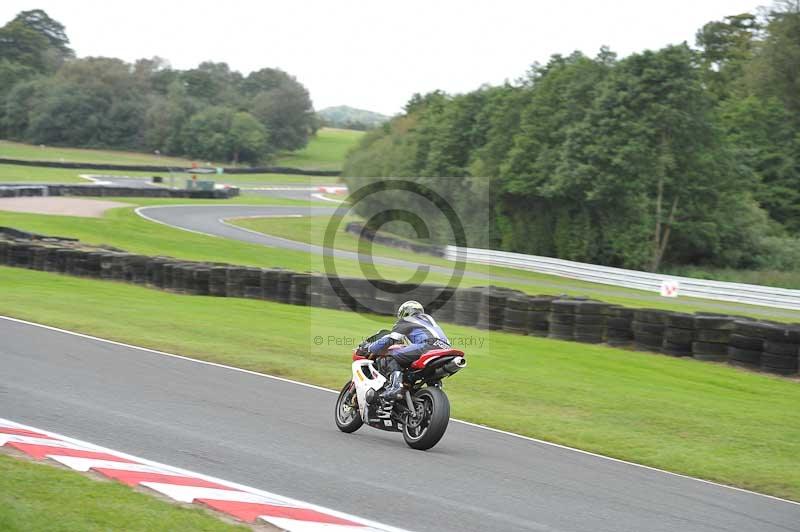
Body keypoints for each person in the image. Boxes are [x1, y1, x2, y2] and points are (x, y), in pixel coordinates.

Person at [361, 300, 451, 403]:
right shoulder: (429, 320)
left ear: (405, 313)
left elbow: (390, 339)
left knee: (390, 356)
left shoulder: (406, 320)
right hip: (446, 348)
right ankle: (434, 390)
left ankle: (396, 387)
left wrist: (370, 348)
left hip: (428, 346)